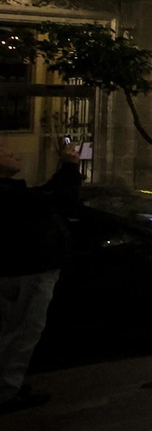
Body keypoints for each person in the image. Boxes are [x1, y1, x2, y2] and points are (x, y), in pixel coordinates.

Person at [0, 141, 82, 414]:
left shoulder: (14, 193)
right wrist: (70, 167)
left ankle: (8, 383)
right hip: (29, 272)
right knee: (24, 331)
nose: (13, 153)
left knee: (14, 331)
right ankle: (7, 391)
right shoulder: (10, 196)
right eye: (4, 150)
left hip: (21, 272)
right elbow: (59, 199)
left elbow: (47, 194)